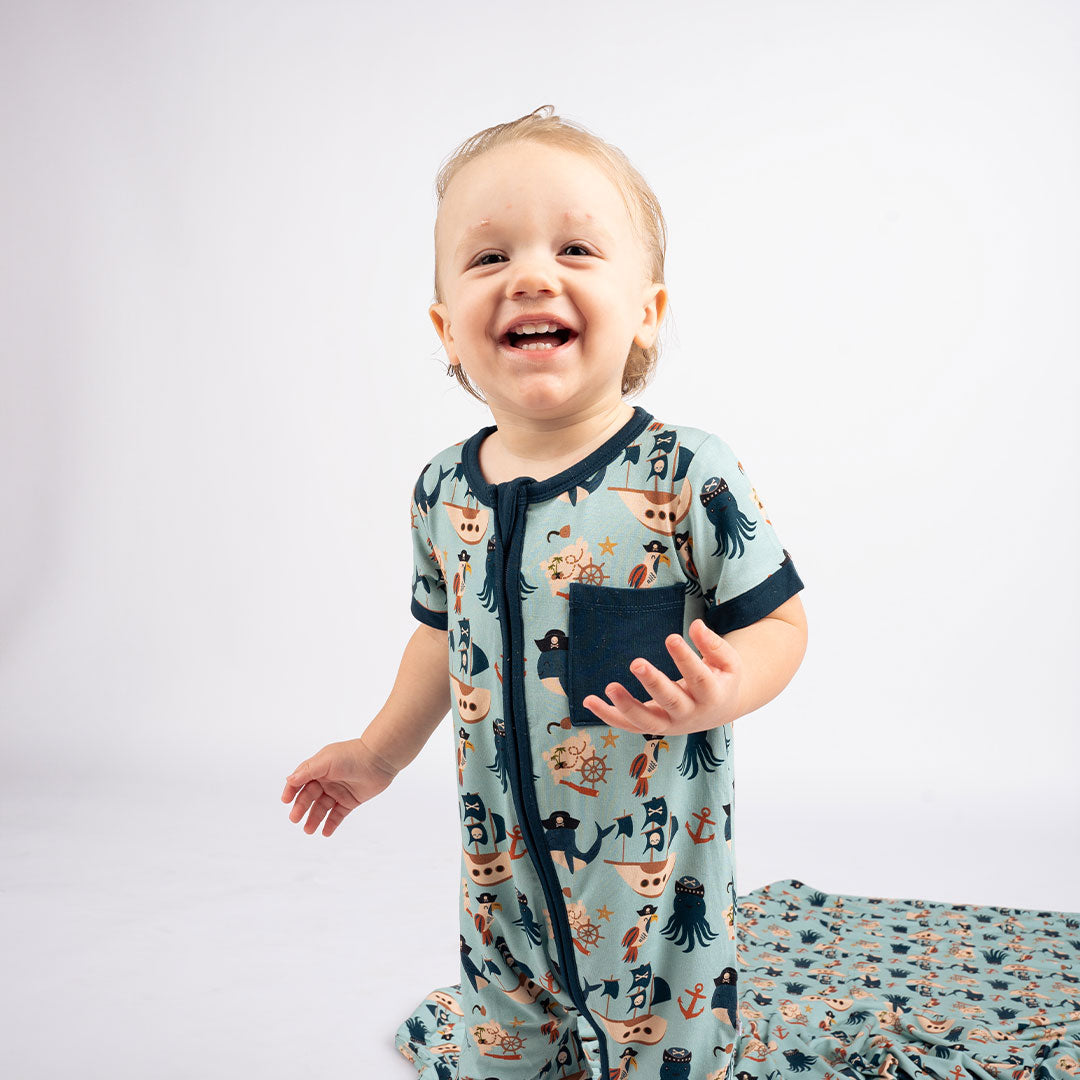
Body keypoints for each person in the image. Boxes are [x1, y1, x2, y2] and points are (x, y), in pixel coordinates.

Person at [281, 105, 808, 1080]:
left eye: (574, 246)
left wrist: (728, 689)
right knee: (508, 1051)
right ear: (447, 326)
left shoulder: (686, 474)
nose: (530, 274)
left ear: (647, 309)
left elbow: (777, 620)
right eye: (488, 258)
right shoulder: (444, 489)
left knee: (667, 1057)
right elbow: (445, 641)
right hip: (501, 886)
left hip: (655, 905)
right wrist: (377, 752)